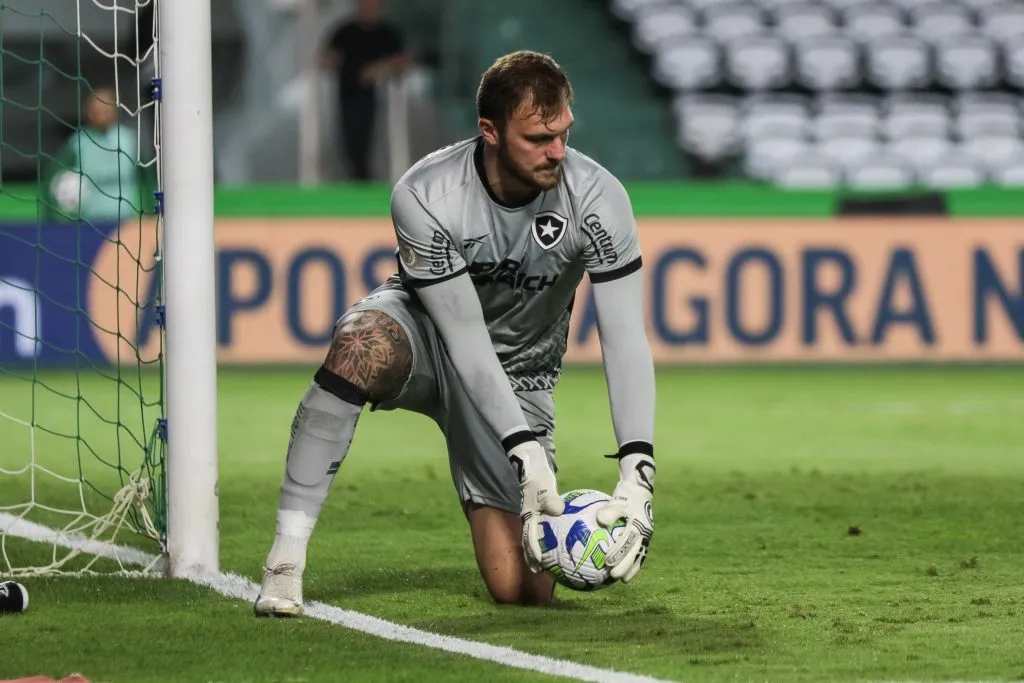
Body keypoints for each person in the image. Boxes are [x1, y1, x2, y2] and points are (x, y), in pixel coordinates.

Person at [254, 50, 656, 613]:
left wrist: (638, 474)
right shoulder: (425, 195)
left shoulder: (598, 198)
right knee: (361, 346)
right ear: (489, 131)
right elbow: (463, 336)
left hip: (519, 373)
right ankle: (284, 562)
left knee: (521, 589)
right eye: (537, 138)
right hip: (426, 338)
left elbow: (624, 339)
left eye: (563, 132)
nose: (558, 152)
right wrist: (526, 455)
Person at [321, 0, 410, 181]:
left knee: (370, 140)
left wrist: (378, 70)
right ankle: (358, 177)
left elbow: (402, 61)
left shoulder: (386, 33)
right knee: (350, 140)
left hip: (377, 96)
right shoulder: (345, 31)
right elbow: (325, 58)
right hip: (347, 94)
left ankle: (368, 178)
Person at [44, 87, 141, 223]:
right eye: (97, 110)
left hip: (125, 222)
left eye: (106, 109)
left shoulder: (128, 140)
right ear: (89, 112)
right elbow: (53, 177)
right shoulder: (78, 142)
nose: (102, 114)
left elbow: (148, 181)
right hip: (88, 223)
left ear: (115, 110)